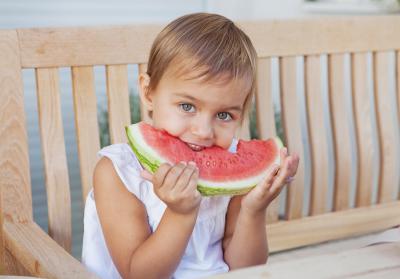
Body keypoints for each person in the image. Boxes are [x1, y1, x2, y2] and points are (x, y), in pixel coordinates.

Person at [82, 12, 299, 279]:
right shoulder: (118, 172)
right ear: (149, 93)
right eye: (187, 106)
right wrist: (181, 213)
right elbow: (138, 274)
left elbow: (246, 268)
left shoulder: (231, 171)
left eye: (224, 115)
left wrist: (254, 210)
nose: (203, 131)